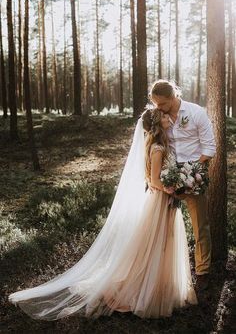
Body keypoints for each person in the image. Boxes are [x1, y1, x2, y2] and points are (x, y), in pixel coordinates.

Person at [8, 107, 197, 321]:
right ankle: (141, 289)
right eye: (163, 116)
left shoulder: (163, 145)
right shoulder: (157, 148)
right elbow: (154, 180)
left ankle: (161, 286)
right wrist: (173, 188)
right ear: (156, 124)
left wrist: (179, 182)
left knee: (164, 245)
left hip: (165, 201)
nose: (167, 117)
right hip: (160, 201)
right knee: (153, 246)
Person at [148, 79, 216, 291]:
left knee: (200, 225)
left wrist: (191, 173)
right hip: (166, 178)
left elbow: (209, 148)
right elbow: (151, 142)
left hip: (193, 175)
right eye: (155, 104)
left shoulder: (196, 112)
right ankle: (164, 273)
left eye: (161, 104)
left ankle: (203, 272)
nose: (157, 108)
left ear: (173, 97)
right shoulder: (160, 116)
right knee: (163, 227)